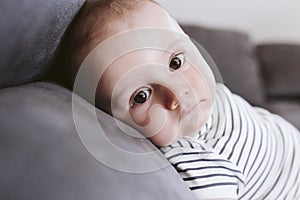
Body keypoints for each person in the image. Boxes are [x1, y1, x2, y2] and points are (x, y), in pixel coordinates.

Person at [52, 0, 300, 199]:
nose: (177, 94)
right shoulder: (193, 161)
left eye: (176, 62)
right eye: (141, 96)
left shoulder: (207, 95)